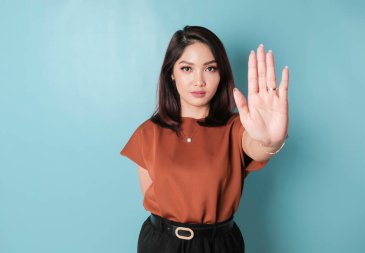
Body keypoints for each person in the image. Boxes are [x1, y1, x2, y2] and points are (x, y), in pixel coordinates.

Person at [120, 25, 289, 253]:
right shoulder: (148, 133)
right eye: (187, 68)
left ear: (221, 74)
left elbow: (258, 146)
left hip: (218, 245)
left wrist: (271, 141)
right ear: (172, 73)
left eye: (210, 68)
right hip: (160, 244)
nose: (199, 81)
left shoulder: (237, 128)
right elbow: (152, 197)